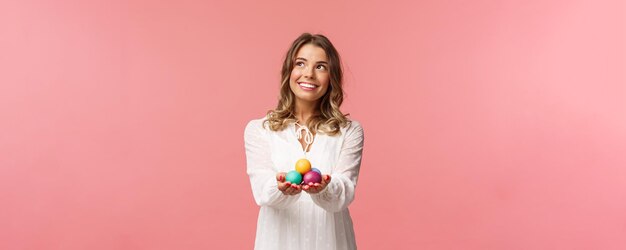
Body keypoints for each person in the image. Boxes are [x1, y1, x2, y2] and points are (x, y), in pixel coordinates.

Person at [244, 33, 365, 250]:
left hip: (331, 241)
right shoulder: (259, 130)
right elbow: (262, 191)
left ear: (332, 77)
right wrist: (279, 187)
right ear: (289, 71)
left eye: (321, 67)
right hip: (278, 241)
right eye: (301, 63)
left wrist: (325, 187)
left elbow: (345, 192)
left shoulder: (349, 131)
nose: (308, 74)